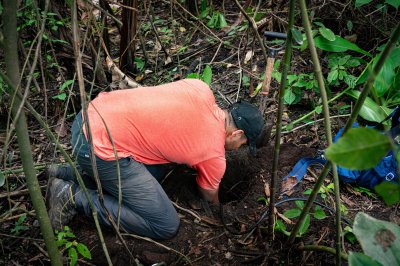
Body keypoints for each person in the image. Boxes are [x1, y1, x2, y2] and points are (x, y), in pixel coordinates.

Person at [46, 78, 265, 240]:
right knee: (165, 225)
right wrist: (220, 208)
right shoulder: (213, 154)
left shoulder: (199, 88)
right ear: (236, 134)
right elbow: (210, 196)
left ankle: (66, 174)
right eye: (242, 145)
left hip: (86, 118)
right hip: (99, 150)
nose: (237, 149)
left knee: (159, 170)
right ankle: (71, 196)